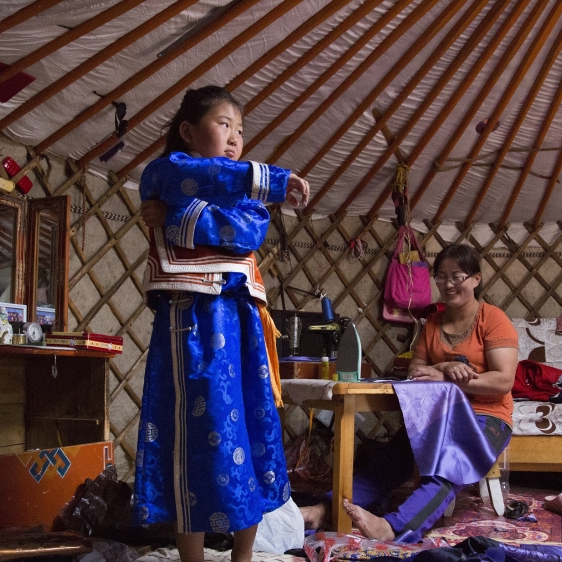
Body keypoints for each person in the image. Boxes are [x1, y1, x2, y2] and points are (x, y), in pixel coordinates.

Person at [133, 85, 310, 562]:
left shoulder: (247, 197)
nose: (235, 137)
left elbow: (247, 230)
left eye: (240, 130)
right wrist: (269, 179)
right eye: (223, 124)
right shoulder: (165, 171)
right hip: (188, 324)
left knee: (251, 431)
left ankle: (243, 558)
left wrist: (177, 217)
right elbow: (179, 178)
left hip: (242, 326)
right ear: (188, 131)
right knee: (194, 439)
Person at [300, 244, 518, 542]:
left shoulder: (492, 319)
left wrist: (448, 377)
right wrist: (445, 366)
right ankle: (323, 509)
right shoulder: (433, 323)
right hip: (438, 414)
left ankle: (394, 526)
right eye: (441, 277)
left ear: (476, 279)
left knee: (446, 468)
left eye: (457, 277)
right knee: (388, 462)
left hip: (486, 417)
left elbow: (503, 381)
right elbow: (417, 369)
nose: (448, 285)